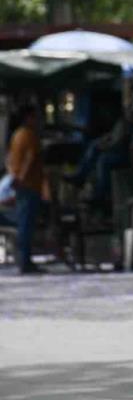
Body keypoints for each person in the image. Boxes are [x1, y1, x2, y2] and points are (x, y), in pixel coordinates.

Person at [64, 110, 133, 204]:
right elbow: (112, 136)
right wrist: (104, 141)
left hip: (123, 154)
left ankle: (100, 194)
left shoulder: (130, 123)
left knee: (103, 160)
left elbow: (118, 142)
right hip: (113, 148)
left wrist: (105, 146)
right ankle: (81, 176)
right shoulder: (121, 122)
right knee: (93, 146)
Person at [6, 104, 44, 274]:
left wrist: (13, 176)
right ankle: (25, 261)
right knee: (26, 224)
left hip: (20, 184)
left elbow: (9, 159)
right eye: (34, 116)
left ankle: (24, 260)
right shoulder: (29, 135)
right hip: (29, 184)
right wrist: (21, 178)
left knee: (23, 223)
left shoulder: (16, 135)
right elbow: (29, 158)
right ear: (28, 118)